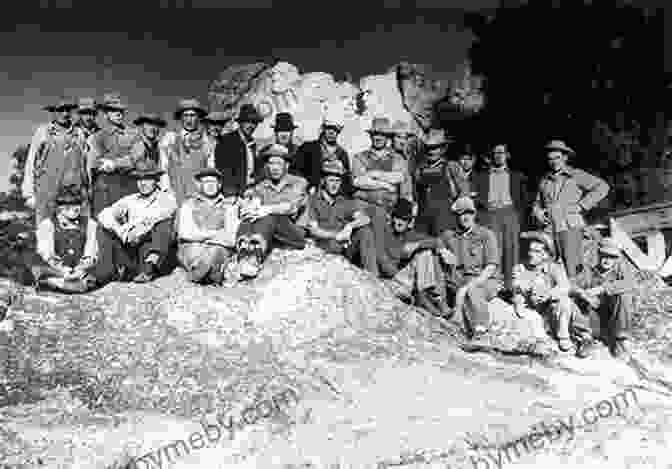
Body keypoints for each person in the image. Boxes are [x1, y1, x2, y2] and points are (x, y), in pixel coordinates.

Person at [532, 140, 610, 279]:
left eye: (557, 158)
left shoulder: (576, 175)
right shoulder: (544, 180)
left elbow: (602, 187)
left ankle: (577, 296)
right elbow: (537, 203)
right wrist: (537, 212)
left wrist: (582, 205)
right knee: (550, 267)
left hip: (570, 226)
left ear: (565, 158)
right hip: (549, 228)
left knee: (572, 267)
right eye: (550, 159)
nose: (554, 162)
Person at [512, 231, 595, 357]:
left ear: (545, 254)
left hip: (552, 309)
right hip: (534, 312)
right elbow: (517, 286)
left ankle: (573, 337)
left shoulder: (554, 268)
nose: (531, 254)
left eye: (536, 251)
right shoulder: (520, 268)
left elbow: (564, 286)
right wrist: (531, 290)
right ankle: (579, 335)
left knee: (565, 301)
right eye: (530, 250)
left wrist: (548, 294)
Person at [96, 160, 177, 283]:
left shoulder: (166, 199)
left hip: (151, 250)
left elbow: (157, 217)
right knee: (103, 228)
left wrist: (137, 229)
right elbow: (103, 214)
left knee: (164, 225)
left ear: (156, 180)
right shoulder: (131, 199)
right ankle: (105, 271)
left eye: (147, 179)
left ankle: (148, 270)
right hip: (131, 247)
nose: (143, 183)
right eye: (139, 179)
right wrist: (121, 231)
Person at [235, 144, 308, 278]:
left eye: (279, 163)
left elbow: (290, 207)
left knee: (270, 215)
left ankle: (255, 258)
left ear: (287, 165)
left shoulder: (298, 183)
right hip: (271, 233)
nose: (274, 167)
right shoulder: (262, 186)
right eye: (271, 163)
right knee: (249, 216)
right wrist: (247, 206)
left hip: (294, 232)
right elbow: (252, 204)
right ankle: (243, 250)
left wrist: (264, 209)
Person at [298, 159, 377, 275]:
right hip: (324, 246)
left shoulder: (344, 202)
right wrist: (336, 235)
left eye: (337, 181)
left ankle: (372, 275)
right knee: (331, 244)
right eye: (331, 180)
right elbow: (314, 230)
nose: (335, 184)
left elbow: (365, 218)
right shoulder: (313, 200)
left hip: (344, 248)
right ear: (323, 181)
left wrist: (350, 226)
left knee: (365, 230)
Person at [439, 196, 502, 339]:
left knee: (472, 291)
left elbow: (491, 267)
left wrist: (469, 286)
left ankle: (481, 332)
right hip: (460, 279)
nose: (466, 217)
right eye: (461, 214)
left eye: (469, 213)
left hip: (485, 280)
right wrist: (442, 250)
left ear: (474, 214)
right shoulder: (449, 235)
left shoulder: (486, 235)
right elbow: (437, 242)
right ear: (456, 216)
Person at [352, 117, 414, 264]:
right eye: (375, 134)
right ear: (370, 136)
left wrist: (373, 175)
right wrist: (386, 185)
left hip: (389, 213)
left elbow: (401, 181)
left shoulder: (398, 160)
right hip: (364, 209)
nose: (378, 137)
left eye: (382, 134)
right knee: (365, 239)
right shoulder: (360, 157)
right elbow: (358, 181)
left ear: (388, 137)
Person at [380, 199, 453, 317]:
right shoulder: (385, 232)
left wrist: (417, 245)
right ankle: (426, 300)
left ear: (409, 222)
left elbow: (435, 241)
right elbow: (382, 261)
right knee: (424, 253)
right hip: (392, 280)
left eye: (404, 219)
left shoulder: (409, 234)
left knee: (425, 252)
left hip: (407, 281)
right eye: (398, 217)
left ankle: (430, 297)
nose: (400, 222)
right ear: (392, 218)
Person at [22, 96, 87, 223]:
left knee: (71, 233)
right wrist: (29, 193)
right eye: (60, 110)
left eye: (68, 110)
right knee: (45, 232)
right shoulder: (42, 132)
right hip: (46, 192)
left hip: (73, 194)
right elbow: (31, 162)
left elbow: (85, 164)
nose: (65, 113)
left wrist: (86, 189)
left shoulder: (79, 134)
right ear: (53, 112)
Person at [472, 143, 528, 290]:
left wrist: (518, 217)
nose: (498, 156)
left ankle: (512, 286)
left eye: (501, 153)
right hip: (490, 214)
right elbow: (475, 197)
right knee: (494, 249)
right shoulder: (481, 176)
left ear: (507, 155)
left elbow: (523, 200)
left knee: (511, 249)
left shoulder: (517, 175)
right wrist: (483, 206)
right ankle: (494, 286)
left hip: (510, 214)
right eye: (495, 153)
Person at [571, 237, 636, 359]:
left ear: (617, 258)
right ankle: (585, 339)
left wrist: (602, 289)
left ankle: (620, 340)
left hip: (612, 321)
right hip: (591, 319)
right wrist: (583, 294)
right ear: (598, 254)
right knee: (573, 301)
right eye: (604, 255)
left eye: (612, 257)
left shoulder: (620, 269)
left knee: (625, 295)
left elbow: (630, 283)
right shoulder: (588, 270)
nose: (607, 260)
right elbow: (571, 286)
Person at [176, 168, 241, 285]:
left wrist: (200, 235)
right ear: (199, 184)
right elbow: (184, 233)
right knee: (194, 250)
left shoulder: (229, 206)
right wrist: (216, 235)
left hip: (218, 248)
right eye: (206, 182)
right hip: (194, 248)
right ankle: (210, 273)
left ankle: (202, 274)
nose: (210, 186)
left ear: (219, 184)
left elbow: (231, 239)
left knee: (216, 251)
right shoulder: (188, 204)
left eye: (213, 182)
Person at [31, 186, 100, 293]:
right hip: (56, 270)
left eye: (77, 204)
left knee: (96, 273)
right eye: (67, 206)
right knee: (37, 266)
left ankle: (75, 284)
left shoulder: (90, 224)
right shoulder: (48, 224)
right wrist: (62, 270)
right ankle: (54, 283)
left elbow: (91, 251)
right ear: (59, 207)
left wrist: (81, 268)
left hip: (80, 271)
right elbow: (47, 253)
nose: (73, 209)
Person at [88, 93, 141, 217]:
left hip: (129, 186)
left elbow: (137, 158)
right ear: (106, 114)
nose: (119, 114)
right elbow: (95, 163)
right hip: (105, 188)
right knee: (104, 224)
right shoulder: (97, 136)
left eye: (121, 111)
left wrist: (115, 163)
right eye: (113, 111)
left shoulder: (134, 134)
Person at [159, 99, 216, 205]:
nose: (189, 119)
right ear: (180, 118)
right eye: (185, 115)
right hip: (174, 194)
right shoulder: (169, 138)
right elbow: (163, 167)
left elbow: (210, 170)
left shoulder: (207, 141)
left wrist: (208, 193)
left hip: (199, 195)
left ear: (198, 118)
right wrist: (166, 190)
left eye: (192, 115)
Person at [291, 115, 353, 194]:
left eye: (335, 129)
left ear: (339, 131)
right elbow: (294, 171)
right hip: (308, 193)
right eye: (328, 128)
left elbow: (346, 182)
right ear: (323, 128)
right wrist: (307, 185)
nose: (331, 132)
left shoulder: (342, 154)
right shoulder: (307, 148)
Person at [414, 129, 458, 235]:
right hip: (423, 219)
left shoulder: (450, 167)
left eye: (435, 148)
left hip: (444, 219)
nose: (431, 151)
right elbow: (415, 194)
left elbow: (459, 194)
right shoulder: (419, 169)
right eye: (428, 148)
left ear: (442, 149)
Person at [215, 104, 264, 196]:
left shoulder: (252, 143)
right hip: (232, 195)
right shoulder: (227, 141)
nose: (251, 126)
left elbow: (255, 170)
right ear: (240, 123)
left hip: (250, 192)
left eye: (254, 122)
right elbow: (224, 172)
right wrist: (235, 195)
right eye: (247, 122)